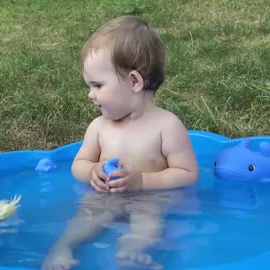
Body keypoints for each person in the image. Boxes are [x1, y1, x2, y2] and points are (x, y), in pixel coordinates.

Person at [43, 15, 198, 270]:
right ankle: (63, 247)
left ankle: (132, 250)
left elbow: (188, 173)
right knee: (86, 217)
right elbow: (79, 164)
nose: (90, 95)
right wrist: (91, 172)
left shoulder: (167, 126)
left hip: (148, 199)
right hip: (104, 197)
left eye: (97, 85)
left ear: (134, 82)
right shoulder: (99, 127)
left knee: (149, 221)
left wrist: (142, 181)